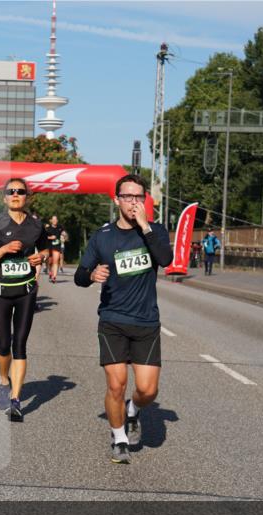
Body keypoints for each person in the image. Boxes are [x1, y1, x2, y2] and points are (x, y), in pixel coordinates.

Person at [74, 174, 173, 464]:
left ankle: (132, 410)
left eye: (138, 197)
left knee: (147, 390)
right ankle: (119, 438)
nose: (133, 202)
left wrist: (144, 226)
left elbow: (166, 260)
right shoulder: (102, 236)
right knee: (116, 384)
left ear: (145, 200)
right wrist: (91, 276)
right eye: (127, 197)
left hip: (145, 322)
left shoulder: (154, 230)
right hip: (112, 320)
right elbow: (80, 275)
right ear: (116, 200)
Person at [0, 178, 49, 422]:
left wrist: (39, 257)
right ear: (4, 197)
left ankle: (16, 400)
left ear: (27, 196)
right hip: (0, 292)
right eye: (11, 192)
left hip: (26, 291)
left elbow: (45, 250)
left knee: (20, 343)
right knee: (3, 344)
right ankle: (3, 381)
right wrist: (4, 250)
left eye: (21, 191)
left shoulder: (36, 226)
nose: (16, 195)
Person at [44, 215, 65, 283]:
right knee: (50, 262)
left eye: (56, 219)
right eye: (53, 219)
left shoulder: (60, 227)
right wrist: (50, 238)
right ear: (51, 221)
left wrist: (64, 236)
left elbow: (64, 234)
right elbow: (43, 237)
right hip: (49, 246)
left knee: (56, 261)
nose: (55, 220)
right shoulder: (48, 228)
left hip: (57, 246)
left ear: (57, 220)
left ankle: (54, 277)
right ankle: (50, 272)